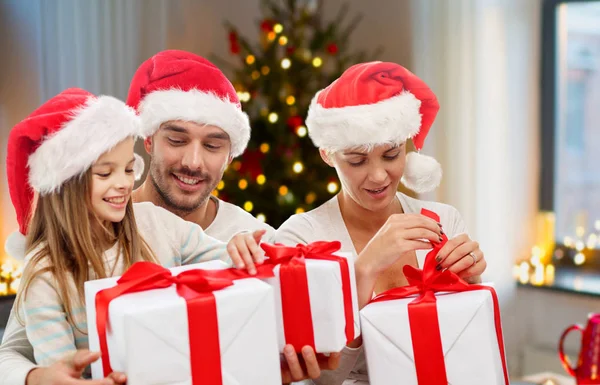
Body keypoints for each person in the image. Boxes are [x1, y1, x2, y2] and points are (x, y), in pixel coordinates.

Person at [0, 88, 264, 383]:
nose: (124, 183)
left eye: (128, 169)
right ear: (66, 184)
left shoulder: (154, 222)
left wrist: (240, 244)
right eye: (105, 174)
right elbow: (63, 370)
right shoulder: (46, 273)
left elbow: (230, 259)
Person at [275, 61, 488, 384]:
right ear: (327, 154)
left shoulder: (444, 220)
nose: (378, 176)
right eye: (357, 160)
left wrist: (474, 285)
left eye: (391, 155)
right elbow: (318, 379)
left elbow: (469, 348)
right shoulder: (301, 238)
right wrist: (363, 271)